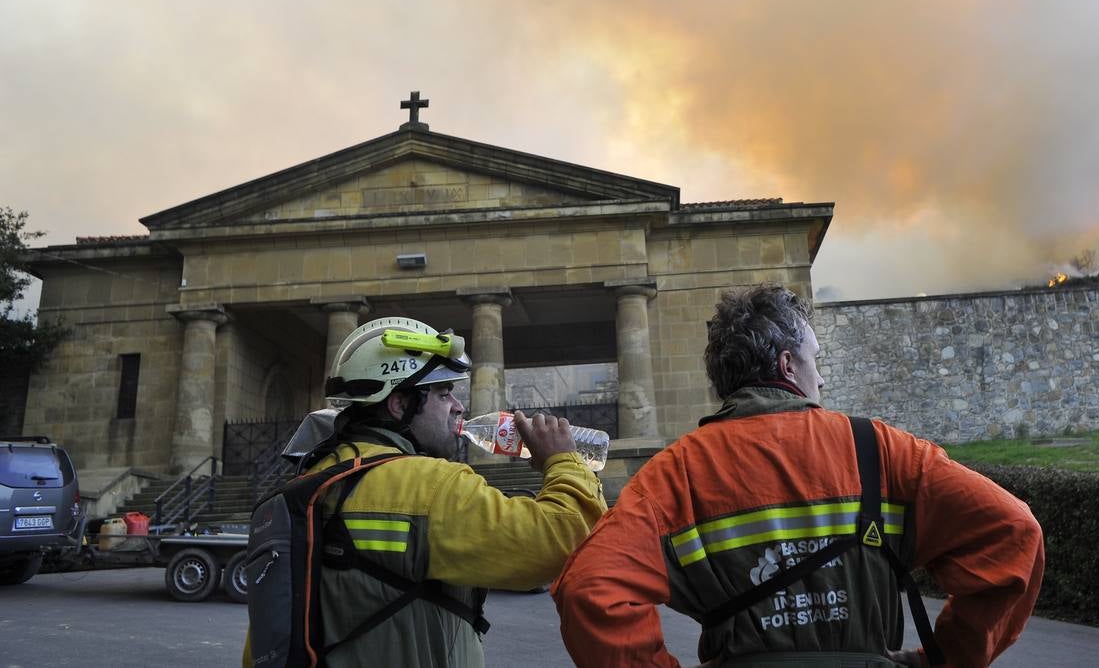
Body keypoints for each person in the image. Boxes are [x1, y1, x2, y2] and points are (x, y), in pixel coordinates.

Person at [552, 284, 1044, 667]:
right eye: (815, 360)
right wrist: (944, 659)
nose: (822, 379)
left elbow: (589, 589)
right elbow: (1013, 534)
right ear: (787, 364)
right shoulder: (883, 451)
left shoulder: (675, 474)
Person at [241, 316, 607, 668]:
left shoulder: (309, 485)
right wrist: (564, 461)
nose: (459, 406)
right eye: (444, 393)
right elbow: (567, 540)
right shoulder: (429, 486)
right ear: (400, 404)